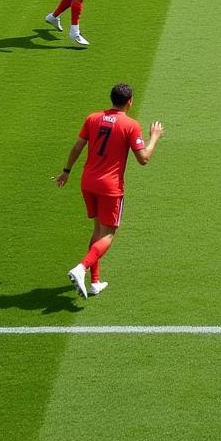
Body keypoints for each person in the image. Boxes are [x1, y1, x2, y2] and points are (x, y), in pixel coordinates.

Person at [56, 83, 163, 298]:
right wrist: (155, 137)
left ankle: (95, 282)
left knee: (97, 230)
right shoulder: (131, 125)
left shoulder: (93, 118)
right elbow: (144, 159)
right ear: (130, 101)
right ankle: (81, 268)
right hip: (110, 187)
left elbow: (78, 146)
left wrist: (66, 171)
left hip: (88, 182)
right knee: (109, 235)